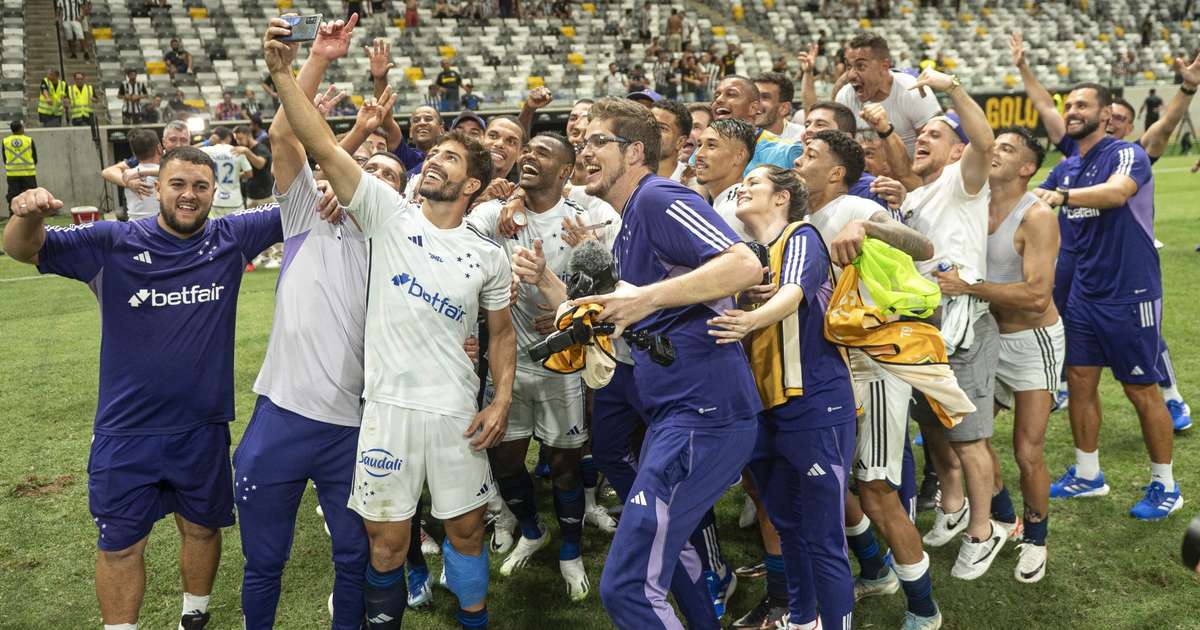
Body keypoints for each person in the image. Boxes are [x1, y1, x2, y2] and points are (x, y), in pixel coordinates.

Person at [266, 16, 516, 630]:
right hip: (386, 410)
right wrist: (281, 73)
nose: (433, 161)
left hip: (457, 413)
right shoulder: (387, 212)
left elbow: (503, 333)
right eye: (432, 153)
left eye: (449, 158)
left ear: (473, 184)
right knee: (386, 543)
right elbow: (319, 146)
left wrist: (502, 398)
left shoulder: (487, 253)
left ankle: (474, 619)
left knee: (463, 533)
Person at [4, 145, 282, 630]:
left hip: (202, 428)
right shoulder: (112, 241)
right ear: (158, 188)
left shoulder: (232, 236)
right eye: (178, 184)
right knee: (120, 545)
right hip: (126, 433)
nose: (189, 195)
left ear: (215, 192)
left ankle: (193, 618)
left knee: (201, 529)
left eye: (200, 186)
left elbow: (301, 199)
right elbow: (23, 249)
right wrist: (27, 213)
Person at [572, 97, 762, 629]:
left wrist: (646, 301)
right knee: (661, 563)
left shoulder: (656, 197)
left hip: (704, 416)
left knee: (628, 585)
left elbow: (744, 263)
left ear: (634, 151)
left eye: (596, 141)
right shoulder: (630, 219)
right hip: (677, 416)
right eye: (582, 140)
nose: (583, 150)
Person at [237, 16, 398, 627]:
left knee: (354, 555)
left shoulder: (399, 245)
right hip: (282, 415)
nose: (371, 179)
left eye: (388, 176)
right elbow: (286, 137)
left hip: (354, 427)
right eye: (367, 169)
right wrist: (319, 59)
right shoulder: (309, 217)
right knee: (263, 560)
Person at [791, 129, 940, 629]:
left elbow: (922, 245)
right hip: (836, 368)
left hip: (872, 368)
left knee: (876, 490)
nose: (798, 159)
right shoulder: (804, 217)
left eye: (809, 156)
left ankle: (925, 610)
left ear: (836, 172)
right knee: (835, 484)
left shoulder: (854, 207)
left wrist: (871, 228)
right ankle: (877, 569)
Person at [1012, 36, 1199, 429]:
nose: (1111, 122)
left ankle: (1172, 396)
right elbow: (1047, 108)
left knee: (1143, 346)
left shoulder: (1133, 153)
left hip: (1126, 268)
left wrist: (1186, 88)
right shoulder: (1073, 158)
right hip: (1079, 262)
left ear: (1124, 123)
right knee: (1076, 341)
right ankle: (1070, 406)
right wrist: (1024, 68)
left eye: (1118, 119)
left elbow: (1165, 125)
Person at [469, 132, 619, 602]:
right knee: (505, 459)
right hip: (507, 363)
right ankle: (533, 530)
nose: (529, 156)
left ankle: (570, 550)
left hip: (563, 368)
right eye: (526, 150)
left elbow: (611, 295)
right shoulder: (492, 216)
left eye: (542, 153)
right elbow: (459, 261)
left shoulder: (588, 221)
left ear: (565, 172)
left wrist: (564, 305)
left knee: (565, 467)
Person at [710, 163, 856, 630]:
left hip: (815, 404)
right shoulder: (748, 255)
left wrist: (748, 320)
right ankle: (803, 618)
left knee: (824, 536)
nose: (743, 188)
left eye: (754, 182)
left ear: (782, 198)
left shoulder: (801, 236)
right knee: (788, 526)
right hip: (765, 409)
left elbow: (793, 292)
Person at [1032, 82, 1183, 521]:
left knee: (1140, 388)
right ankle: (1088, 474)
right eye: (1069, 105)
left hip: (1129, 292)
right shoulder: (1068, 167)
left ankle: (1165, 484)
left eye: (1083, 105)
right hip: (1085, 293)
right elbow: (1030, 196)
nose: (1073, 111)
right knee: (1079, 379)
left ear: (1104, 113)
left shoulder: (1123, 154)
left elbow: (1118, 192)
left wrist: (1061, 197)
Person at [935, 127, 1059, 583]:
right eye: (993, 145)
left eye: (1007, 149)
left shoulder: (1037, 216)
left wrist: (969, 287)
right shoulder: (971, 198)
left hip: (1031, 341)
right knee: (973, 439)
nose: (994, 153)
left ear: (1028, 167)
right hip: (982, 333)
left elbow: (1037, 296)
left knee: (1027, 451)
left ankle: (1037, 540)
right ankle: (1005, 517)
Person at [896, 69, 1004, 581]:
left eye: (935, 134)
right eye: (922, 133)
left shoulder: (965, 183)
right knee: (935, 428)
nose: (923, 138)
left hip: (962, 326)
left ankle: (983, 533)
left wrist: (952, 86)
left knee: (969, 437)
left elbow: (984, 139)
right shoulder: (916, 197)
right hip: (923, 329)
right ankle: (954, 504)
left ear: (958, 151)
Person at [835, 32, 943, 156]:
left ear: (884, 66)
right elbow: (840, 153)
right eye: (848, 66)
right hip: (864, 173)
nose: (851, 75)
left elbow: (936, 150)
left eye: (860, 66)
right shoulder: (845, 96)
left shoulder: (912, 90)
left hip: (910, 173)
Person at [803, 101, 890, 208]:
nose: (808, 129)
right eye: (807, 125)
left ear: (846, 137)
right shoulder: (798, 181)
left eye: (820, 125)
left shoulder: (872, 189)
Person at [710, 76, 803, 175]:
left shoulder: (785, 152)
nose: (719, 100)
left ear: (753, 107)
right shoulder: (705, 144)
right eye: (716, 96)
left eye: (731, 94)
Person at [694, 118, 755, 239]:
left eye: (711, 146)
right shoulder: (727, 204)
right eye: (699, 145)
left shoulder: (734, 210)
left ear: (739, 156)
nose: (698, 154)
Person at [200, 127, 253, 216]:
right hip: (235, 201)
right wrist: (236, 175)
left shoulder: (210, 150)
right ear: (228, 137)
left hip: (217, 200)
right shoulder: (237, 150)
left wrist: (207, 142)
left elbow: (188, 150)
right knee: (238, 229)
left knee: (218, 228)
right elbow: (249, 173)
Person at [120, 129, 163, 221]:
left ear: (134, 154)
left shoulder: (129, 175)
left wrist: (140, 173)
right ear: (159, 148)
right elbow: (176, 172)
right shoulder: (164, 174)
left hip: (132, 227)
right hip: (156, 228)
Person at [649, 99, 692, 180]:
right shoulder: (625, 175)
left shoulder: (691, 181)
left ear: (680, 142)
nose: (651, 130)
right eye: (650, 124)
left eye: (662, 128)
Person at [754, 73, 803, 141]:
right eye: (754, 96)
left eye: (765, 97)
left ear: (784, 108)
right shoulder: (738, 137)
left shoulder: (801, 138)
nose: (755, 103)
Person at [234, 125, 273, 207]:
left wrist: (247, 152)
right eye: (236, 139)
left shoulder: (261, 148)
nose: (238, 142)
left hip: (264, 196)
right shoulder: (245, 150)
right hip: (251, 195)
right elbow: (249, 172)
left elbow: (260, 165)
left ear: (248, 135)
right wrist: (235, 175)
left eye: (240, 139)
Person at [3, 121, 37, 206]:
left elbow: (5, 158)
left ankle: (13, 215)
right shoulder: (28, 140)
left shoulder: (5, 141)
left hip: (12, 174)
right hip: (28, 173)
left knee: (14, 197)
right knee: (31, 196)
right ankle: (32, 216)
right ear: (21, 128)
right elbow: (35, 157)